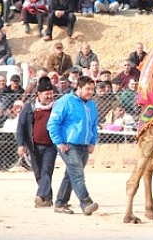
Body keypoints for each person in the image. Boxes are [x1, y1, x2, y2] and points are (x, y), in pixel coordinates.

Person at [47, 76, 99, 215]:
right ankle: (86, 202)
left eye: (92, 89)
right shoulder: (65, 101)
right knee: (78, 174)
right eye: (87, 89)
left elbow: (94, 124)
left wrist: (92, 141)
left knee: (71, 175)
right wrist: (59, 142)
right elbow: (53, 124)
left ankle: (60, 203)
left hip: (84, 145)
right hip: (69, 145)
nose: (90, 92)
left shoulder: (91, 104)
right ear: (79, 88)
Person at [15, 77, 57, 208]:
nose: (49, 96)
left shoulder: (56, 107)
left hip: (51, 146)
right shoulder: (30, 107)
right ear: (39, 94)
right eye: (47, 94)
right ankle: (47, 198)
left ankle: (40, 196)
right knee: (38, 173)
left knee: (46, 171)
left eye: (51, 93)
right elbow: (21, 126)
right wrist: (21, 144)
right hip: (33, 146)